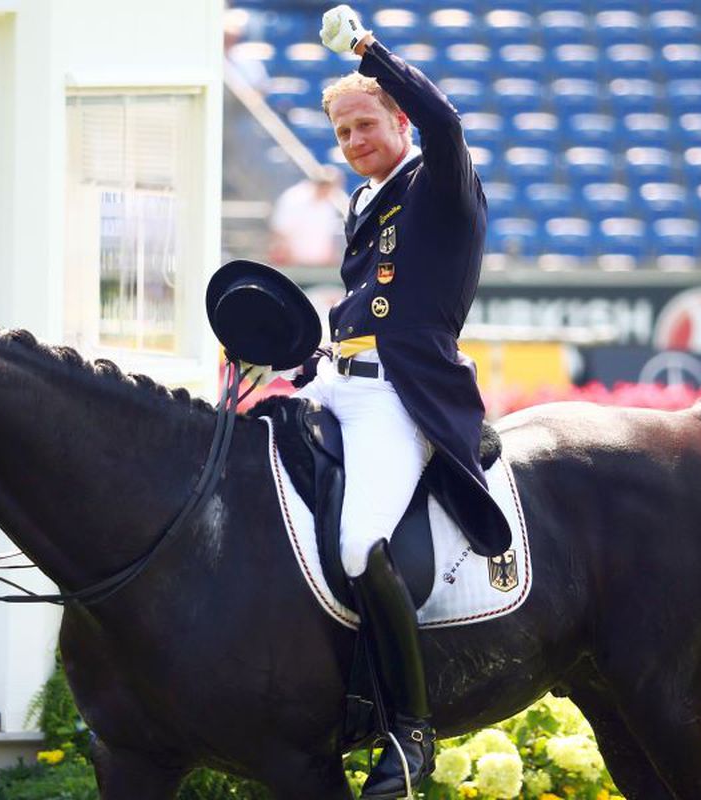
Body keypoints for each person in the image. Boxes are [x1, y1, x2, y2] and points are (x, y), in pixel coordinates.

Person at [286, 7, 512, 797]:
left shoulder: (442, 181)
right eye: (341, 134)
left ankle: (410, 731)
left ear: (398, 116)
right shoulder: (363, 199)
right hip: (339, 381)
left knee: (357, 547)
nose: (353, 145)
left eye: (365, 126)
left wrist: (367, 52)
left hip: (399, 400)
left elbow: (446, 121)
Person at [268, 165, 346, 267]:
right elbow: (280, 230)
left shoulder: (328, 205)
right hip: (292, 264)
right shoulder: (294, 198)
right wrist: (284, 255)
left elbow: (327, 236)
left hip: (318, 265)